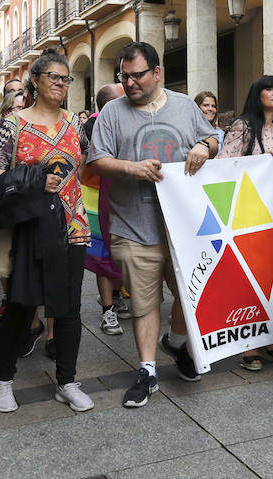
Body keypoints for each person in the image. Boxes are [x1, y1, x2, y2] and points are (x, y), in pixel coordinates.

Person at [87, 41, 218, 408]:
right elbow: (97, 160)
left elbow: (214, 137)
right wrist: (132, 167)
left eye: (137, 75)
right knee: (144, 303)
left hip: (183, 229)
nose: (129, 83)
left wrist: (205, 147)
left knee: (191, 294)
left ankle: (176, 341)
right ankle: (148, 371)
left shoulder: (185, 106)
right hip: (133, 226)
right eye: (123, 77)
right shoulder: (112, 113)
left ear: (157, 73)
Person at [0, 48, 94, 413]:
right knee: (20, 305)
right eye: (54, 78)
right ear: (36, 80)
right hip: (29, 229)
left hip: (72, 226)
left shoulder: (76, 123)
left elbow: (90, 163)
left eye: (66, 79)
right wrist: (32, 178)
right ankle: (4, 380)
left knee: (68, 309)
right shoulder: (14, 123)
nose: (61, 84)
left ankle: (67, 381)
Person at [221, 75, 273, 370]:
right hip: (249, 214)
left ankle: (269, 337)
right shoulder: (243, 126)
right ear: (257, 94)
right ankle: (249, 344)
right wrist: (260, 163)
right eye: (269, 88)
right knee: (252, 280)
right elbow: (223, 165)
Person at [82, 83, 129, 343]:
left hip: (123, 197)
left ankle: (118, 297)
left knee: (122, 249)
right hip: (96, 196)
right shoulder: (90, 127)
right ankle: (107, 309)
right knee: (102, 253)